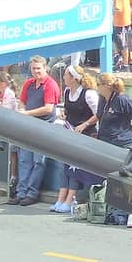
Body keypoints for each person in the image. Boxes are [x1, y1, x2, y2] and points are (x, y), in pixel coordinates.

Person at [9, 56, 61, 205]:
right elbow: (22, 102)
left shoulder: (50, 85)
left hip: (43, 127)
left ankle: (32, 193)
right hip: (28, 126)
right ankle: (21, 192)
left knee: (39, 162)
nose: (36, 71)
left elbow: (48, 108)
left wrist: (26, 113)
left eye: (38, 68)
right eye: (33, 68)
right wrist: (22, 111)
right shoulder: (28, 84)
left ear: (45, 68)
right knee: (25, 160)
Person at [48, 66, 100, 211]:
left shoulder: (88, 94)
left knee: (75, 168)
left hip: (85, 135)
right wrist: (63, 115)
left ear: (73, 78)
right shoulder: (66, 91)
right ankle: (61, 198)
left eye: (65, 75)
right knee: (65, 166)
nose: (63, 78)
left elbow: (98, 114)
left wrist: (85, 124)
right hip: (69, 132)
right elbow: (68, 110)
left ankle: (70, 200)